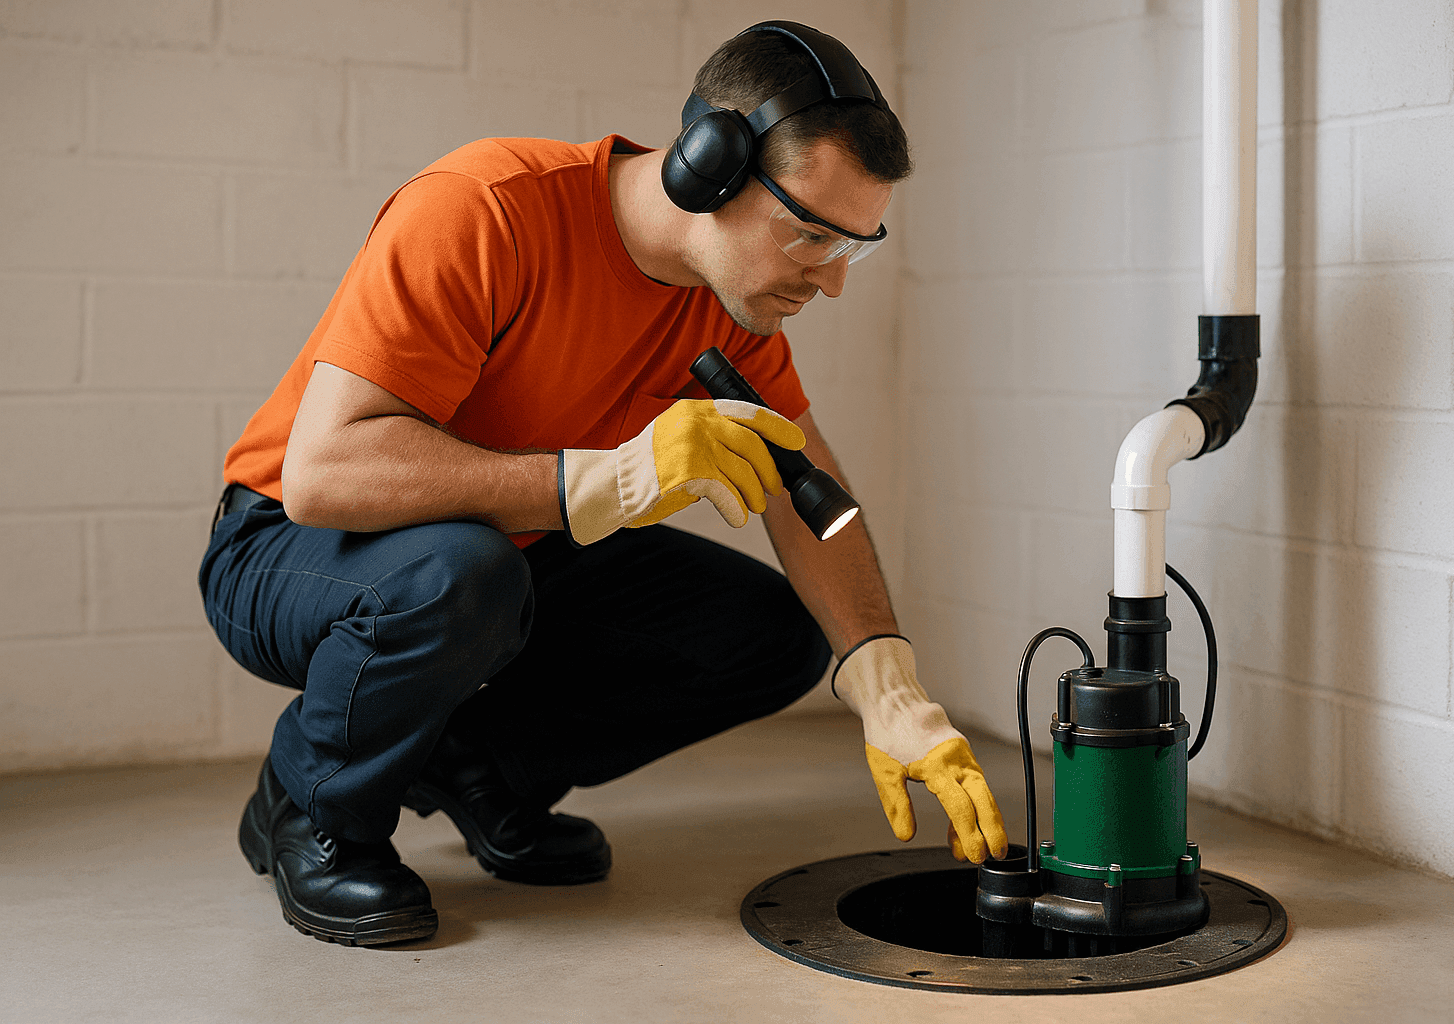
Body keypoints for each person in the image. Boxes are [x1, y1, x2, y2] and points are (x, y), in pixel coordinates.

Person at [200, 21, 1008, 947]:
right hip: (287, 548)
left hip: (508, 549)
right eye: (810, 237)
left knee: (774, 633)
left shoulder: (734, 303)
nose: (830, 283)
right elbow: (321, 473)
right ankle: (311, 810)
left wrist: (884, 681)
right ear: (709, 166)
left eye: (853, 247)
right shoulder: (485, 209)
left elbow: (804, 482)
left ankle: (476, 769)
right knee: (464, 574)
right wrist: (614, 479)